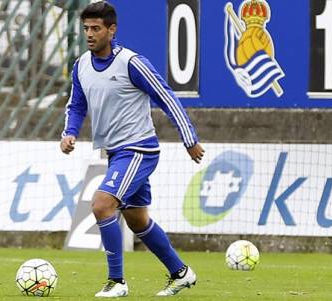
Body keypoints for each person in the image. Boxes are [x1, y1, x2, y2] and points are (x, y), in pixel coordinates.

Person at [60, 1, 205, 298]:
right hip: (115, 152)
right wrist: (70, 133)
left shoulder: (132, 63)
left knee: (101, 205)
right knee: (138, 220)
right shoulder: (81, 66)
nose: (89, 34)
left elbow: (166, 98)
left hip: (139, 149)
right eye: (86, 28)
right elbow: (76, 105)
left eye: (96, 28)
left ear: (111, 30)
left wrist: (189, 138)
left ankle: (117, 282)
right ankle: (181, 273)